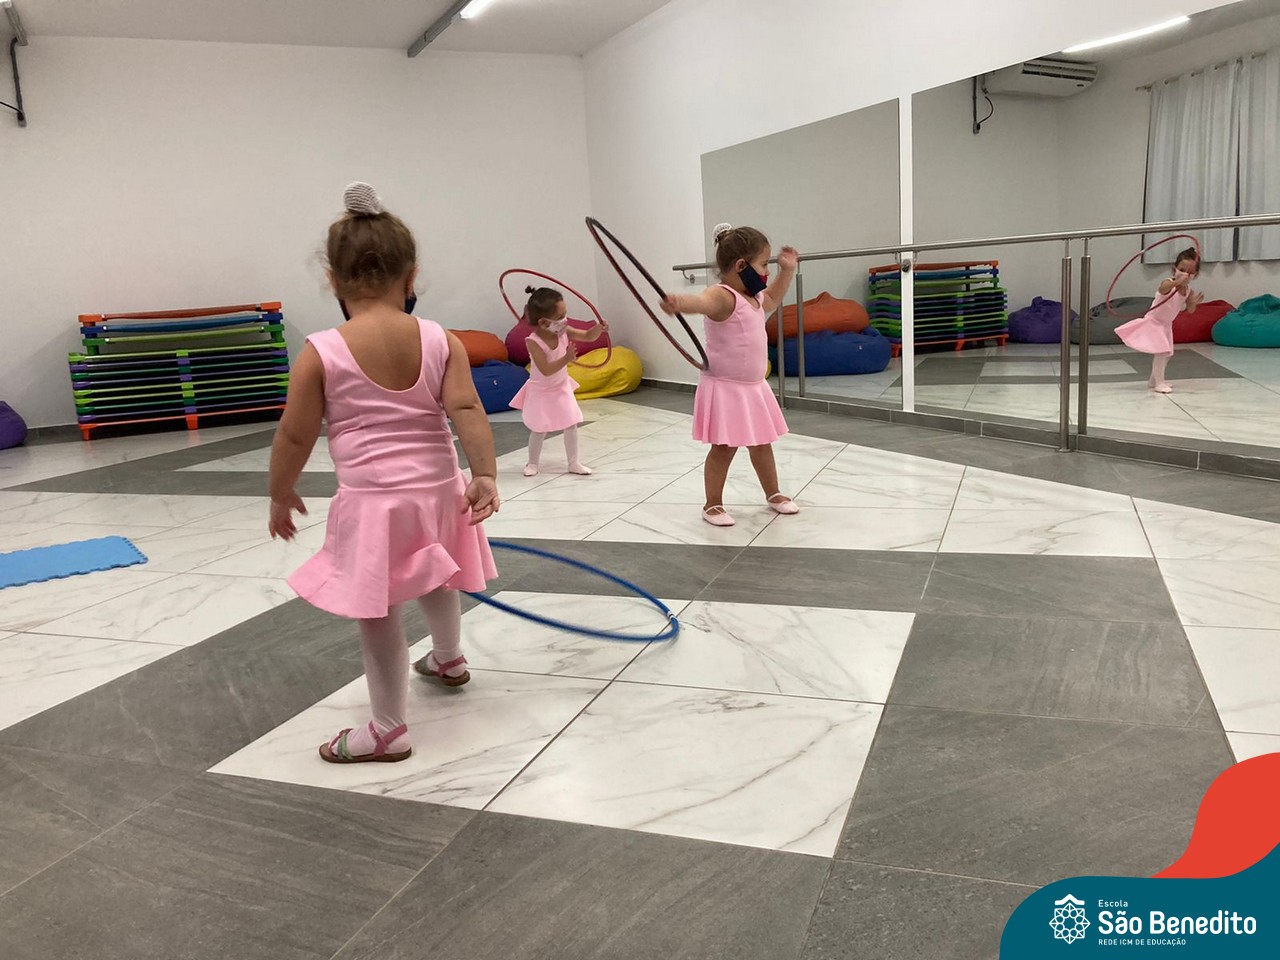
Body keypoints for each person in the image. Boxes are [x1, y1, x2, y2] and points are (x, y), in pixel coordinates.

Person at [268, 182, 499, 765]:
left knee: (378, 611)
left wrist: (280, 491)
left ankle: (388, 729)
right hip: (441, 490)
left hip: (374, 503)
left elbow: (294, 434)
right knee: (440, 577)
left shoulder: (322, 350)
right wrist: (486, 474)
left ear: (333, 280)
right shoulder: (441, 339)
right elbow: (467, 407)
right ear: (411, 276)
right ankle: (448, 658)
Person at [660, 223, 800, 527]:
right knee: (724, 448)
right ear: (741, 266)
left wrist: (787, 271)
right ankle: (712, 503)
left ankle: (773, 493)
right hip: (726, 387)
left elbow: (773, 299)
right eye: (763, 265)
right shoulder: (723, 295)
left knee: (762, 443)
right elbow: (703, 303)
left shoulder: (755, 296)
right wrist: (680, 303)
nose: (766, 271)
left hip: (753, 387)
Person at [510, 285, 607, 477]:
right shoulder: (533, 341)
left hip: (561, 387)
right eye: (560, 316)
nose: (565, 320)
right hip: (541, 390)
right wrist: (566, 358)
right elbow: (546, 370)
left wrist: (598, 329)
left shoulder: (562, 330)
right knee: (539, 428)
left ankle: (574, 462)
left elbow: (588, 336)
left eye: (565, 314)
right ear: (544, 322)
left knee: (571, 423)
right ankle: (532, 463)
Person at [1116, 246, 1204, 394]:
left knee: (1167, 353)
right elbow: (1163, 289)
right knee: (1162, 352)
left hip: (1166, 325)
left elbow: (1190, 310)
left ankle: (1153, 380)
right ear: (1174, 269)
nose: (1185, 274)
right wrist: (1177, 282)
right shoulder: (1168, 283)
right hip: (1154, 322)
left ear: (1195, 275)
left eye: (1190, 272)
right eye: (1182, 270)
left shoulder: (1188, 291)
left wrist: (1193, 303)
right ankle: (1159, 383)